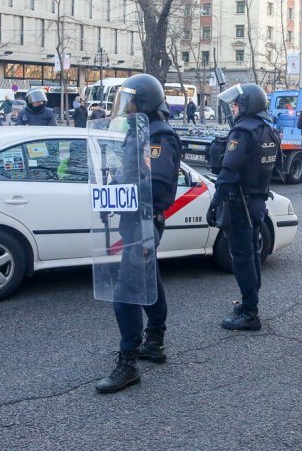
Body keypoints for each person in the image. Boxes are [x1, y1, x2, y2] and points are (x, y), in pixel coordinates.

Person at [94, 74, 182, 395]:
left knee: (126, 293)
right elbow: (131, 175)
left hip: (145, 222)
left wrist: (123, 193)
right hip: (133, 220)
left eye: (129, 99)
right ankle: (155, 342)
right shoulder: (139, 132)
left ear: (142, 101)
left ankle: (128, 363)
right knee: (148, 281)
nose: (124, 105)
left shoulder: (158, 136)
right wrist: (110, 195)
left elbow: (155, 187)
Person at [206, 83, 281, 331]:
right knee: (251, 255)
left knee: (242, 259)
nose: (234, 108)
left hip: (241, 203)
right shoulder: (268, 130)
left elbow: (229, 171)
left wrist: (215, 202)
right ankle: (250, 302)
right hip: (258, 201)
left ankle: (250, 313)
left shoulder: (242, 132)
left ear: (248, 104)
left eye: (237, 103)